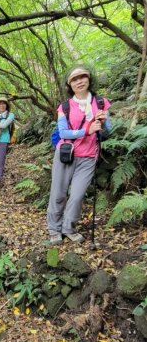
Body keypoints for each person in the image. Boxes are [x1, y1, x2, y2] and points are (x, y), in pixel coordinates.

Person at [47, 66, 111, 245]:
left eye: (83, 77)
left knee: (76, 195)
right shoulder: (65, 107)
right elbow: (63, 132)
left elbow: (107, 132)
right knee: (58, 193)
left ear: (89, 79)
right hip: (66, 154)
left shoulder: (100, 103)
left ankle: (68, 227)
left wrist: (104, 124)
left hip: (89, 156)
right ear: (69, 84)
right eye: (74, 79)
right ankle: (54, 229)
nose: (79, 81)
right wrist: (86, 130)